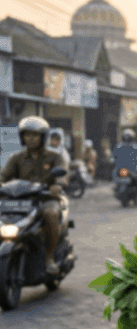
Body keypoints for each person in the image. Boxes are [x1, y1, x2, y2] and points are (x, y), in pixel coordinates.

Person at [0, 117, 68, 274]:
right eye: (27, 135)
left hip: (46, 199)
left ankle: (49, 258)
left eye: (35, 135)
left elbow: (62, 174)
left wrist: (58, 185)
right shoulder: (16, 158)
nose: (30, 139)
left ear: (43, 137)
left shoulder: (54, 157)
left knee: (50, 213)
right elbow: (3, 176)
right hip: (20, 201)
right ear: (22, 137)